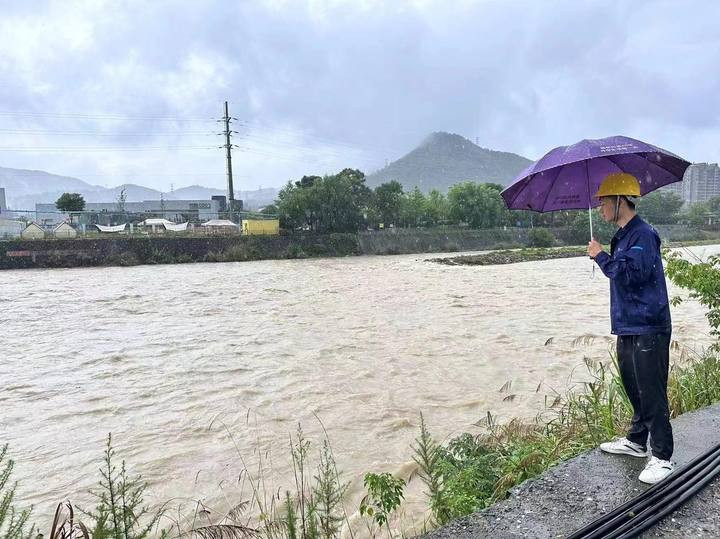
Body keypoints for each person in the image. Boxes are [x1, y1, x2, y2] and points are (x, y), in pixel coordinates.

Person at [587, 172, 674, 485]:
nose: (600, 209)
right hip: (628, 323)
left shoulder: (643, 234)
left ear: (620, 201)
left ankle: (663, 456)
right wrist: (606, 255)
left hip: (650, 323)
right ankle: (637, 442)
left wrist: (601, 257)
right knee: (633, 385)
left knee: (651, 390)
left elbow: (633, 273)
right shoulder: (623, 235)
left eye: (604, 202)